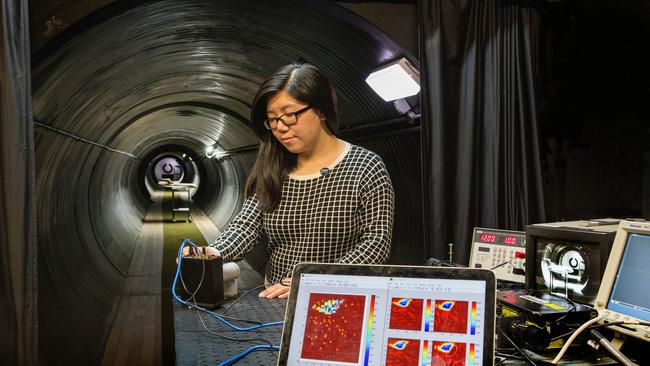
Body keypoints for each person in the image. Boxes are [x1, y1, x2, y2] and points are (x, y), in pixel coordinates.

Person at [183, 62, 394, 298]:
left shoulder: (365, 167)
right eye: (272, 120)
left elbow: (376, 243)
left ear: (321, 110)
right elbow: (247, 227)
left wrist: (314, 280)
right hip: (276, 297)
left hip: (338, 298)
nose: (280, 128)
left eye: (290, 115)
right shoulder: (274, 166)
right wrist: (211, 252)